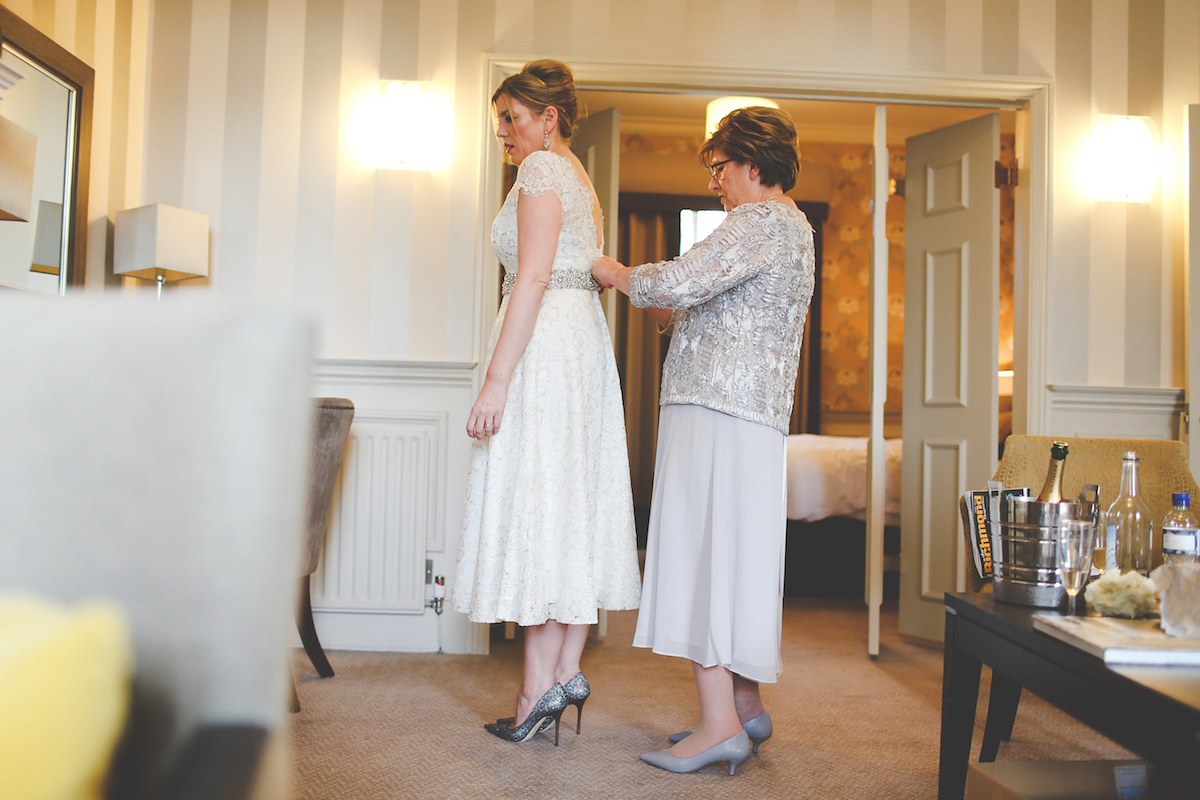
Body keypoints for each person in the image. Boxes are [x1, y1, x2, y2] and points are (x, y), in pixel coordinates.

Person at [592, 106, 815, 775]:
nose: (714, 182)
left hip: (717, 413)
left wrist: (613, 271)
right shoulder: (793, 229)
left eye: (719, 168)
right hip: (746, 414)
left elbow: (679, 279)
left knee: (705, 556)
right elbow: (713, 306)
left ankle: (719, 724)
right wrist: (671, 314)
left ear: (753, 163)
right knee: (733, 555)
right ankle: (744, 706)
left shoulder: (761, 221)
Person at [451, 59, 642, 746]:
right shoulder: (578, 173)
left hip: (545, 346)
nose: (502, 133)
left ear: (548, 117)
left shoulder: (538, 172)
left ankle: (540, 688)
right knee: (570, 503)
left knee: (540, 499)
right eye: (500, 120)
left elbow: (530, 277)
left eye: (512, 118)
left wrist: (497, 379)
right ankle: (561, 674)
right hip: (579, 345)